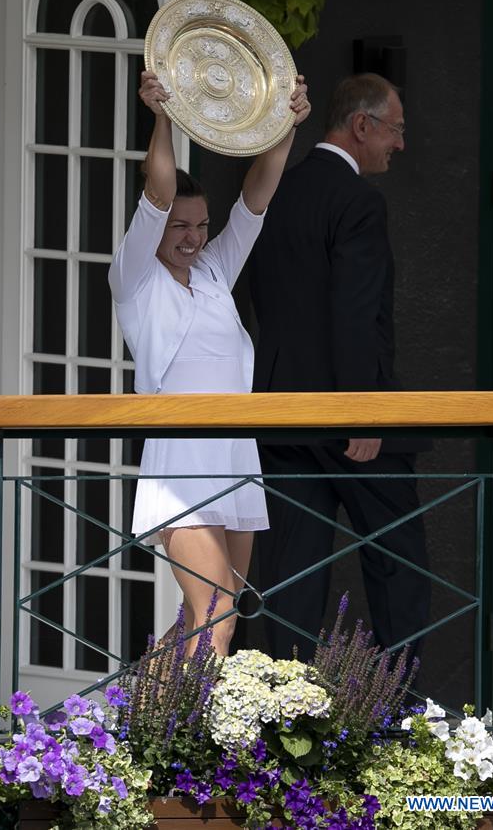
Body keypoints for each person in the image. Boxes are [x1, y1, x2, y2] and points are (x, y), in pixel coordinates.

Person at [109, 70, 310, 657]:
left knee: (224, 609)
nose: (194, 237)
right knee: (215, 611)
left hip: (235, 451)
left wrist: (285, 125)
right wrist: (164, 116)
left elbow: (256, 199)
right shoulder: (135, 277)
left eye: (200, 224)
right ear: (155, 227)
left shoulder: (216, 270)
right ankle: (189, 743)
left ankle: (137, 724)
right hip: (182, 455)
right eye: (179, 226)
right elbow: (159, 187)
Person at [248, 72, 431, 664]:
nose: (399, 145)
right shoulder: (358, 201)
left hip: (282, 417)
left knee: (291, 573)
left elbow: (266, 299)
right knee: (399, 561)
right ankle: (398, 713)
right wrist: (364, 410)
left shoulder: (281, 193)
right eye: (395, 131)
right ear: (362, 125)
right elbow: (356, 314)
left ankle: (281, 709)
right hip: (348, 421)